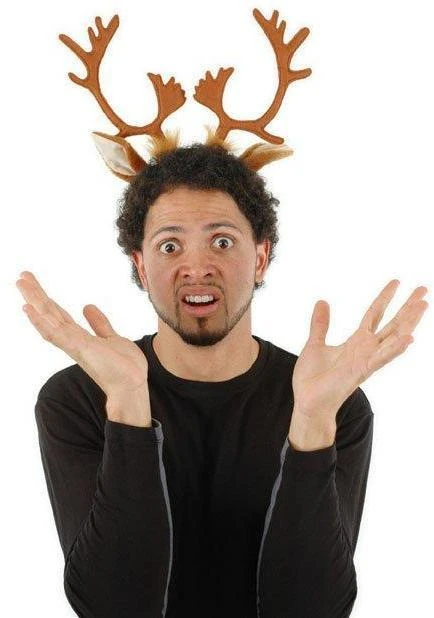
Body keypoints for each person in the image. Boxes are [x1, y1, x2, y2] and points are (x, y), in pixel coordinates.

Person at [16, 8, 429, 618]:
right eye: (169, 246)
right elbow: (112, 606)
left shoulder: (334, 402)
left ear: (260, 257)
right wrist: (128, 406)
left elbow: (312, 610)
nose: (197, 266)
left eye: (223, 241)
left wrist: (312, 423)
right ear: (139, 265)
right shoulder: (78, 399)